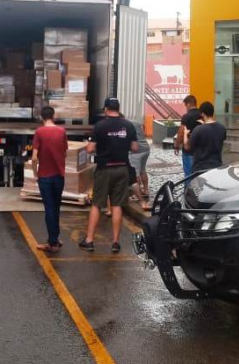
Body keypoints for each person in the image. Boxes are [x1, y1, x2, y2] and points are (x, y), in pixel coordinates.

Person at [80, 98, 138, 253]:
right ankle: (115, 242)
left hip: (105, 169)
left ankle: (89, 240)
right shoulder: (128, 125)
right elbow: (135, 147)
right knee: (117, 205)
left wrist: (92, 145)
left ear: (106, 109)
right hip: (122, 168)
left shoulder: (100, 126)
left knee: (97, 204)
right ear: (119, 108)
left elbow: (91, 149)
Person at [32, 106, 68, 253]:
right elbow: (64, 152)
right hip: (59, 176)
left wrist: (35, 173)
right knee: (57, 207)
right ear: (54, 116)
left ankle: (52, 243)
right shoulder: (62, 131)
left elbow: (34, 157)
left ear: (41, 117)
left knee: (49, 209)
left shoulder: (39, 132)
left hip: (45, 177)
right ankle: (55, 238)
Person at [184, 101, 227, 173]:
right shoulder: (222, 128)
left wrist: (185, 134)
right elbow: (213, 134)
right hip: (216, 166)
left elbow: (187, 147)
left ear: (203, 114)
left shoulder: (198, 129)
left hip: (200, 168)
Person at [174, 95, 201, 177]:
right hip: (201, 150)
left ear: (188, 104)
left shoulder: (186, 117)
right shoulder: (202, 115)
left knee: (189, 174)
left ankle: (189, 189)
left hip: (189, 150)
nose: (186, 108)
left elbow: (181, 132)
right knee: (200, 174)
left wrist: (176, 145)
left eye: (185, 105)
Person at [129, 122, 151, 210]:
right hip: (146, 148)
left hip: (136, 151)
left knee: (135, 174)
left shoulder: (126, 125)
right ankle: (145, 190)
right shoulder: (137, 123)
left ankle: (136, 195)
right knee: (143, 170)